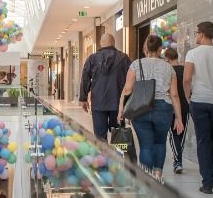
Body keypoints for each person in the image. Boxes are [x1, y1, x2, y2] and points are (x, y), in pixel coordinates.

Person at [118, 35, 184, 180]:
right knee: (160, 142)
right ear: (161, 48)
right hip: (163, 108)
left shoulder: (136, 64)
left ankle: (146, 180)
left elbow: (127, 89)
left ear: (146, 47)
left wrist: (121, 110)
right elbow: (174, 95)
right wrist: (178, 118)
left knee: (146, 144)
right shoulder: (169, 67)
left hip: (141, 108)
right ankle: (158, 174)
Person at [184, 20, 213, 194]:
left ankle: (207, 183)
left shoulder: (192, 54)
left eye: (196, 33)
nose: (195, 36)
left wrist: (187, 95)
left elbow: (186, 78)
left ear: (201, 33)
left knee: (203, 141)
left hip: (199, 101)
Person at [79, 33, 131, 141]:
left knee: (100, 137)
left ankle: (103, 157)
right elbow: (131, 80)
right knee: (119, 137)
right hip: (118, 104)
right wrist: (130, 102)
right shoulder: (124, 58)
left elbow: (85, 78)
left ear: (100, 44)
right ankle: (119, 157)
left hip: (98, 104)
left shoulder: (92, 59)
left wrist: (83, 98)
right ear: (113, 43)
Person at [164, 48, 189, 174]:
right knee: (182, 132)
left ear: (167, 58)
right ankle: (178, 159)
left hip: (172, 105)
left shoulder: (168, 71)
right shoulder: (185, 70)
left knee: (173, 133)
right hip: (185, 105)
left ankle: (177, 161)